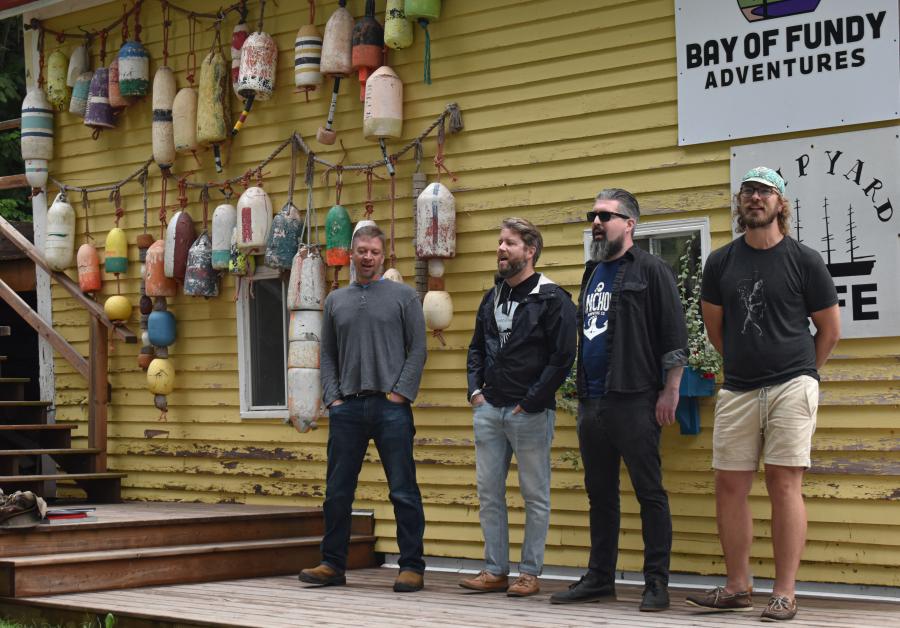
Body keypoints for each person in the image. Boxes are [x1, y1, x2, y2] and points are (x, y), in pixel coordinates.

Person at [687, 167, 840, 622]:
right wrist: (743, 361)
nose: (755, 198)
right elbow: (716, 329)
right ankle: (737, 587)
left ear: (780, 203)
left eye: (764, 192)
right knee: (729, 484)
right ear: (739, 203)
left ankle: (784, 593)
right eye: (748, 191)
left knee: (783, 482)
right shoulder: (721, 262)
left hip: (793, 382)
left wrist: (802, 372)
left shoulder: (804, 259)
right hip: (738, 387)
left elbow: (829, 331)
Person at [549, 189, 687, 612]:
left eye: (606, 215)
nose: (596, 221)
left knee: (650, 493)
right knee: (600, 494)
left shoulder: (652, 270)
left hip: (635, 399)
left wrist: (670, 390)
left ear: (629, 223)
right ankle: (599, 578)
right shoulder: (591, 272)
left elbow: (674, 335)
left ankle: (656, 583)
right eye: (593, 214)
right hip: (592, 400)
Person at [299, 225, 428, 593]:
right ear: (351, 254)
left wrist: (400, 395)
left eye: (374, 251)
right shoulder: (336, 300)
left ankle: (412, 566)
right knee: (337, 491)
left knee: (403, 490)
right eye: (361, 251)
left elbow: (417, 350)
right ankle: (332, 564)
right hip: (348, 409)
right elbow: (327, 356)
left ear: (382, 256)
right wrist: (333, 399)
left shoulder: (404, 297)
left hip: (391, 408)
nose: (367, 257)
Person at [461, 218, 577, 597]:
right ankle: (495, 570)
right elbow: (477, 348)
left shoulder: (551, 298)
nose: (501, 249)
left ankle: (529, 573)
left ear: (530, 251)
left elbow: (562, 359)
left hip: (530, 413)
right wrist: (475, 392)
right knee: (489, 493)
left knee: (535, 495)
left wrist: (531, 402)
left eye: (509, 243)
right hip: (489, 410)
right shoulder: (491, 297)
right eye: (499, 242)